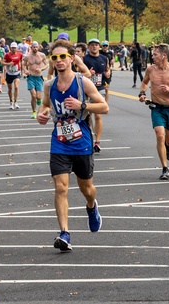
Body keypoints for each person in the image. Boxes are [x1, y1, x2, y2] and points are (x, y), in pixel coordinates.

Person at [37, 46, 108, 252]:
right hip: (59, 141)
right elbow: (45, 105)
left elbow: (104, 106)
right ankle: (64, 233)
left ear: (71, 59)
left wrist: (82, 105)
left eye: (62, 57)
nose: (59, 60)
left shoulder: (82, 82)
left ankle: (92, 207)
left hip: (82, 140)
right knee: (61, 187)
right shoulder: (49, 85)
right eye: (55, 57)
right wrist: (42, 114)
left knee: (87, 188)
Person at [138, 43, 169, 180]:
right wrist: (142, 93)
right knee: (160, 135)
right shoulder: (150, 69)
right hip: (157, 108)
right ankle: (165, 168)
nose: (152, 57)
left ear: (163, 55)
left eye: (155, 54)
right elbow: (144, 82)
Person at [82, 38, 112, 153]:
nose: (94, 47)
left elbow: (107, 70)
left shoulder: (104, 58)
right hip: (86, 90)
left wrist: (108, 74)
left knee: (98, 116)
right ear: (89, 47)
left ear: (99, 47)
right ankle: (89, 137)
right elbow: (78, 71)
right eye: (92, 45)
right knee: (87, 117)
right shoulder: (84, 59)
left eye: (96, 45)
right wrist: (87, 73)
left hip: (99, 89)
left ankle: (97, 142)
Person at [24, 41, 48, 118]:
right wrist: (26, 70)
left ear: (39, 47)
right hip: (31, 77)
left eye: (36, 47)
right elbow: (23, 65)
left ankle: (39, 100)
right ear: (31, 47)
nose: (35, 48)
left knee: (38, 97)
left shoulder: (42, 55)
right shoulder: (27, 56)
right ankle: (34, 111)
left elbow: (46, 64)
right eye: (34, 47)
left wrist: (41, 69)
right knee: (33, 95)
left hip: (39, 77)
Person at [2, 41, 22, 109]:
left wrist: (22, 70)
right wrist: (8, 64)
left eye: (15, 48)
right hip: (9, 73)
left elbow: (21, 62)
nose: (13, 49)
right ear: (10, 48)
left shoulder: (19, 54)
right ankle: (11, 102)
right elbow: (2, 62)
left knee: (16, 87)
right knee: (10, 89)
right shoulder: (7, 55)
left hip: (17, 73)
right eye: (12, 48)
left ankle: (16, 102)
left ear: (16, 48)